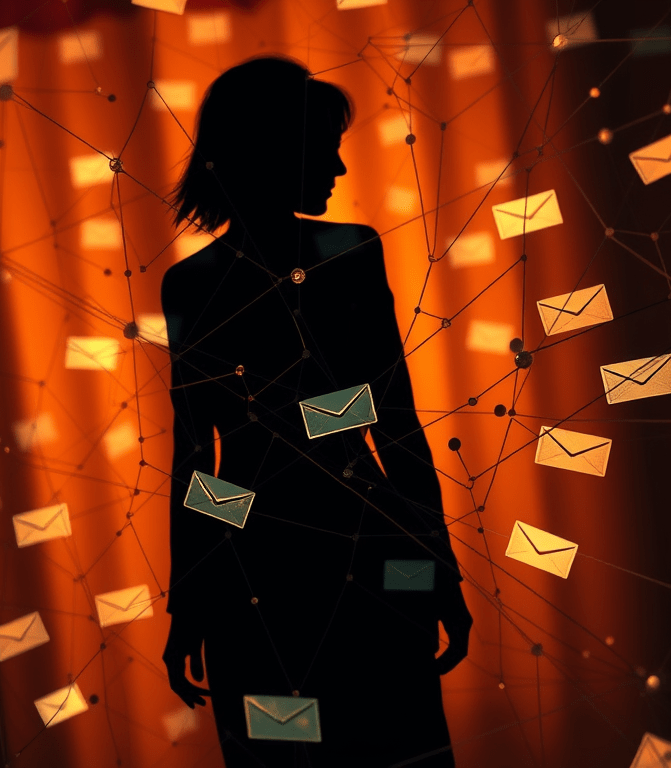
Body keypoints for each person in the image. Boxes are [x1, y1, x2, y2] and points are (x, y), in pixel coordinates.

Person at [160, 55, 473, 767]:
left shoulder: (203, 282)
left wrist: (192, 605)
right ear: (273, 148)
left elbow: (207, 461)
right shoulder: (346, 255)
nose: (335, 165)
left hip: (264, 573)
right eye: (321, 143)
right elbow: (389, 423)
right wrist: (436, 574)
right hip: (333, 559)